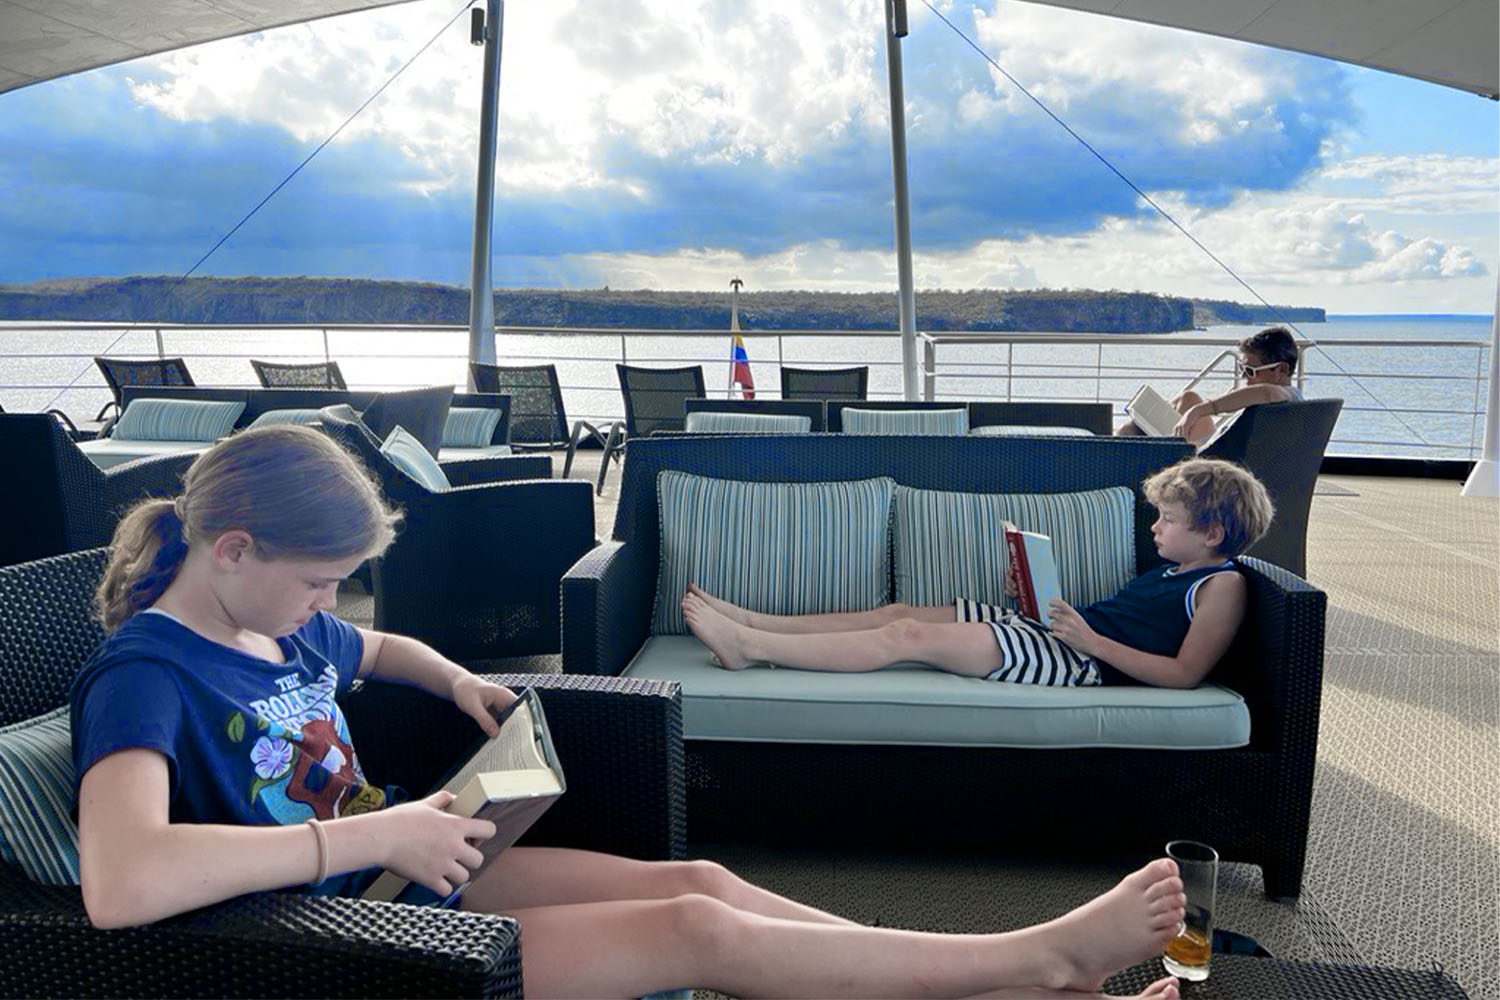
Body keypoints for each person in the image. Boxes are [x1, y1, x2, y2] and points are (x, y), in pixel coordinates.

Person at [71, 424, 1187, 1000]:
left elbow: (382, 645)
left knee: (702, 882)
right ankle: (1030, 961)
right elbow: (124, 885)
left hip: (403, 869)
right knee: (696, 934)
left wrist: (456, 681)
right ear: (232, 550)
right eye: (322, 580)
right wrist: (370, 833)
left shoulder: (278, 623)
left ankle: (1007, 986)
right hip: (335, 935)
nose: (331, 604)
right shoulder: (147, 676)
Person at [683, 457, 1272, 690]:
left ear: (1212, 533)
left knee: (903, 638)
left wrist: (1087, 639)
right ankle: (758, 619)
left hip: (1076, 661)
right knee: (898, 611)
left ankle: (749, 647)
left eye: (1167, 521)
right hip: (1058, 634)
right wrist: (1037, 597)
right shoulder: (1174, 571)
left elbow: (1184, 674)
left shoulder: (1223, 586)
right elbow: (1123, 620)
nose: (1155, 530)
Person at [1114, 326, 1304, 445]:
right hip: (1213, 444)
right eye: (1242, 368)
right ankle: (1141, 429)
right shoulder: (1283, 399)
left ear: (1281, 370)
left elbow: (1267, 392)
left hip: (1211, 464)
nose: (1244, 376)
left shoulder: (1286, 396)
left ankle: (1118, 441)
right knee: (1188, 397)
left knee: (1129, 431)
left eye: (1251, 371)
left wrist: (1199, 411)